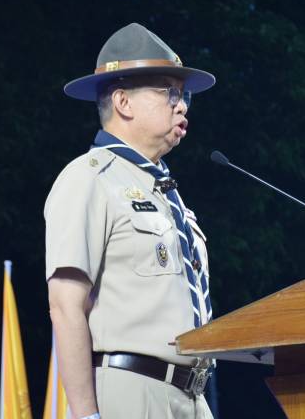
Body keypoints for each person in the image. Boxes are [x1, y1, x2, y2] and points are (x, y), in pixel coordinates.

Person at [45, 23, 216, 419]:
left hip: (192, 396)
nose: (182, 106)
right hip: (132, 391)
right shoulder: (89, 178)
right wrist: (87, 415)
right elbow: (65, 305)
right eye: (169, 92)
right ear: (123, 102)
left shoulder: (165, 190)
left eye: (184, 95)